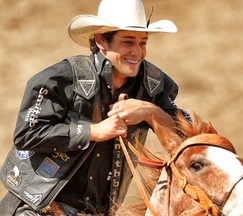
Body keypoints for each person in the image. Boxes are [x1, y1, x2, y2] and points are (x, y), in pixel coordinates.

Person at [0, 0, 191, 215]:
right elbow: (27, 134)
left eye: (143, 43)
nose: (138, 52)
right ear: (101, 41)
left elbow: (189, 134)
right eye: (128, 42)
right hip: (37, 209)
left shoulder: (153, 85)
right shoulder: (60, 78)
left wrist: (149, 111)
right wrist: (92, 131)